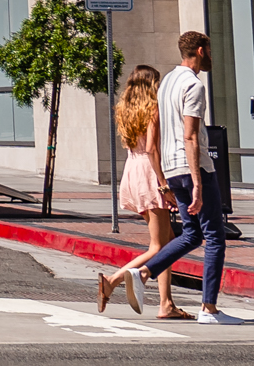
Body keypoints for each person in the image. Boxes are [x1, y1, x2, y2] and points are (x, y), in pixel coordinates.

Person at [125, 32, 233, 323]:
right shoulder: (193, 85)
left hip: (172, 170)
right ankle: (209, 309)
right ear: (200, 51)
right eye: (209, 50)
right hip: (192, 168)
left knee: (191, 233)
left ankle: (143, 272)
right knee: (215, 237)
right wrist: (198, 182)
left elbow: (155, 141)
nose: (210, 55)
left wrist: (162, 178)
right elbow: (190, 135)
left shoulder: (167, 82)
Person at [98, 65, 176, 315]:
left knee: (169, 242)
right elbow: (153, 148)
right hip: (149, 172)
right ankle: (112, 281)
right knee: (157, 246)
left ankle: (166, 303)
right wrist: (164, 183)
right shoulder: (153, 109)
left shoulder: (125, 109)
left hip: (132, 169)